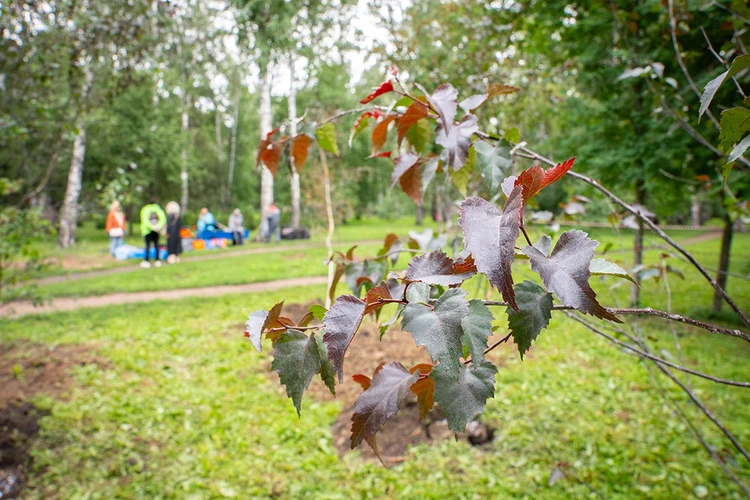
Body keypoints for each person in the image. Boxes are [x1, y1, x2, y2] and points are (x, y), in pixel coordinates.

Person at [140, 199, 167, 268]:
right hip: (156, 231)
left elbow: (144, 220)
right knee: (156, 245)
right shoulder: (158, 209)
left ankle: (146, 261)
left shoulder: (145, 209)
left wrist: (151, 227)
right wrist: (158, 227)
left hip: (147, 231)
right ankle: (157, 260)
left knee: (147, 246)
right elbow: (163, 219)